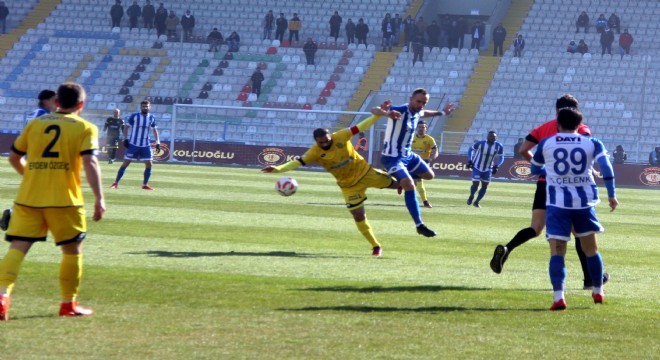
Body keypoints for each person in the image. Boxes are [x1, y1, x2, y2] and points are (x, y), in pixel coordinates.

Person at [0, 82, 106, 321]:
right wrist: (99, 198)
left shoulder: (36, 123)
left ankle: (1, 297)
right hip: (65, 200)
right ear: (81, 104)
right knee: (72, 251)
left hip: (29, 198)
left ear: (56, 102)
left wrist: (32, 177)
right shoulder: (85, 127)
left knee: (17, 248)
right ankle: (68, 304)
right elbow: (90, 162)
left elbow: (15, 157)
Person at [490, 94, 609, 291]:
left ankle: (507, 248)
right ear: (576, 112)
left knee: (535, 228)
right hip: (566, 187)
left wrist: (545, 168)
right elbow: (584, 152)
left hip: (545, 184)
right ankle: (590, 279)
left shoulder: (543, 127)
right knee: (581, 233)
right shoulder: (581, 129)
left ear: (557, 111)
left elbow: (523, 149)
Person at [262, 102, 402, 257]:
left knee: (400, 184)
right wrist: (277, 169)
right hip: (349, 186)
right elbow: (297, 162)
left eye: (327, 140)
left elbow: (362, 126)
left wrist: (379, 114)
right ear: (316, 141)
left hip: (366, 173)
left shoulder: (341, 135)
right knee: (359, 216)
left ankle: (402, 179)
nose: (325, 144)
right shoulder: (314, 153)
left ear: (330, 136)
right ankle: (376, 246)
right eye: (321, 142)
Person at [530, 107, 617, 310]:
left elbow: (534, 169)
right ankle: (597, 290)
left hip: (557, 205)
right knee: (591, 250)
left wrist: (550, 170)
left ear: (557, 124)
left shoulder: (547, 143)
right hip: (584, 203)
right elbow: (606, 168)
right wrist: (612, 194)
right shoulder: (592, 143)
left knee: (557, 252)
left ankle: (559, 297)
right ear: (579, 125)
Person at [382, 88, 454, 237]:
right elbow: (375, 110)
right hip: (392, 157)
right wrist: (384, 112)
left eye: (424, 102)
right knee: (410, 184)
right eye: (418, 101)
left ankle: (401, 179)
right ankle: (419, 225)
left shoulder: (418, 113)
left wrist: (443, 113)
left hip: (408, 155)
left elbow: (427, 113)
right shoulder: (399, 110)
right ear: (411, 99)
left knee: (429, 175)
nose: (421, 104)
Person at [111, 100, 160, 190]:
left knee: (149, 164)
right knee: (126, 163)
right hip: (133, 144)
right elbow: (126, 127)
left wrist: (158, 142)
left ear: (150, 107)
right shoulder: (135, 116)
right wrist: (125, 138)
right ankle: (115, 183)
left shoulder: (152, 117)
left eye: (147, 106)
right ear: (141, 107)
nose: (145, 108)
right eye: (143, 106)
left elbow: (154, 130)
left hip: (145, 144)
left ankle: (145, 184)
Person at [466, 131, 504, 208]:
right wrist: (470, 160)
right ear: (487, 137)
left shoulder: (499, 146)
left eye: (494, 136)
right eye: (491, 136)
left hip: (488, 169)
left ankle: (476, 202)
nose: (492, 138)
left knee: (484, 186)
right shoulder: (481, 143)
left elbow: (501, 157)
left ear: (496, 137)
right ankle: (471, 196)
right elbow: (471, 149)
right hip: (477, 167)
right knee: (475, 184)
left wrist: (497, 165)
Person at [411, 121, 438, 208]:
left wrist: (432, 157)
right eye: (419, 127)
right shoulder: (411, 138)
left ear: (426, 129)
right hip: (411, 162)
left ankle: (422, 201)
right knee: (415, 181)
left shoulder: (430, 139)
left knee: (417, 181)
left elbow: (435, 150)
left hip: (423, 162)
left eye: (423, 127)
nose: (421, 129)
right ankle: (423, 201)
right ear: (416, 128)